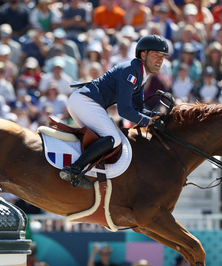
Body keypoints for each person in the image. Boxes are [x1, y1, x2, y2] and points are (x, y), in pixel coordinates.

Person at [59, 35, 169, 189]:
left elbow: (139, 109)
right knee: (113, 138)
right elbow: (124, 111)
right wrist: (149, 122)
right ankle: (75, 168)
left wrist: (160, 117)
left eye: (162, 56)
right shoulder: (131, 71)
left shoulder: (141, 73)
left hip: (84, 102)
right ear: (143, 55)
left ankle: (84, 169)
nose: (160, 60)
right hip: (85, 101)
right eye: (156, 55)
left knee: (105, 138)